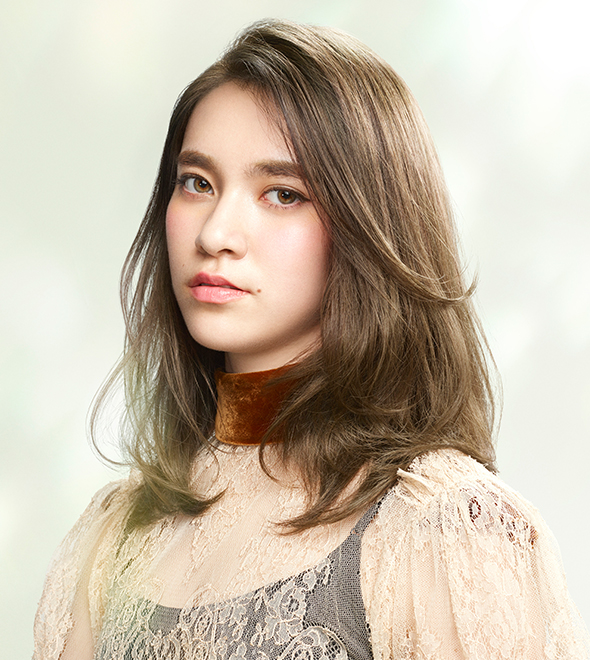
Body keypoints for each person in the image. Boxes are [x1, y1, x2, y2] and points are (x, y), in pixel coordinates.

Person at [33, 19, 589, 659]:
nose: (215, 233)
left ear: (370, 225)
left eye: (282, 193)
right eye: (197, 182)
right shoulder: (112, 538)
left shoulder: (444, 531)